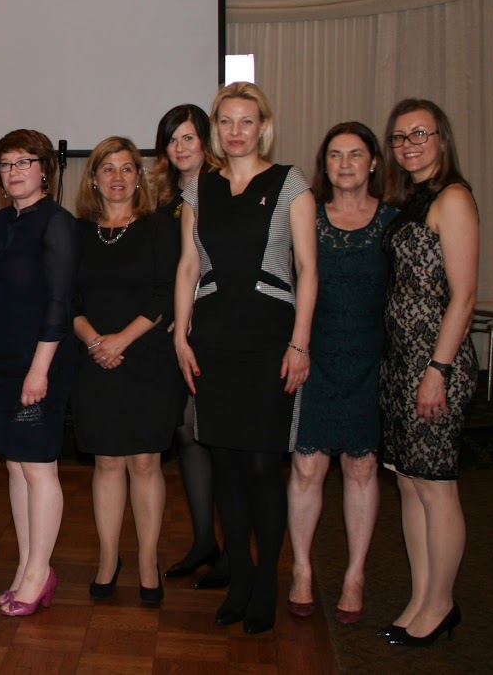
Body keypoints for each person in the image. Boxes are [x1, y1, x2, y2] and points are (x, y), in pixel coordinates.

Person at [173, 82, 317, 636]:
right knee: (227, 467)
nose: (236, 131)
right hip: (213, 340)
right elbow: (188, 267)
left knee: (261, 466)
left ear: (263, 127)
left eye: (246, 121)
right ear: (216, 129)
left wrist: (300, 343)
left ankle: (267, 584)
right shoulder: (198, 189)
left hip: (269, 342)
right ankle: (240, 580)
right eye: (226, 121)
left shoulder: (290, 183)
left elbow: (308, 269)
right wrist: (181, 337)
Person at [377, 100, 478, 647]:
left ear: (442, 137)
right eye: (399, 137)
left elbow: (463, 297)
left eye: (420, 133)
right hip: (402, 364)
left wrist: (437, 369)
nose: (409, 144)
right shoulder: (413, 199)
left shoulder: (453, 198)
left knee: (436, 488)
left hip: (437, 364)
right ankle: (420, 597)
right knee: (410, 482)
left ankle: (442, 604)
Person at [287, 123, 396, 622]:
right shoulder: (306, 216)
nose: (345, 164)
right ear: (324, 164)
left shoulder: (393, 222)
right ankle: (302, 569)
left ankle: (355, 574)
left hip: (372, 359)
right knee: (308, 467)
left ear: (373, 162)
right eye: (335, 155)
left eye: (355, 154)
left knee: (361, 468)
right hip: (314, 355)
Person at [71, 135, 184, 606]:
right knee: (107, 463)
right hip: (95, 360)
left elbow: (165, 293)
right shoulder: (78, 232)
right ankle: (108, 560)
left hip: (147, 359)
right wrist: (95, 341)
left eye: (126, 168)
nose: (117, 177)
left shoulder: (159, 228)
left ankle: (148, 563)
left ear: (139, 177)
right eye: (107, 169)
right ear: (94, 179)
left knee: (144, 463)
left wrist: (120, 340)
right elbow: (68, 299)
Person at [0, 130, 78, 616]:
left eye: (24, 162)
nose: (13, 171)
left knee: (38, 467)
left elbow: (59, 303)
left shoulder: (57, 222)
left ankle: (40, 572)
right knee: (15, 466)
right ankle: (25, 567)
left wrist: (39, 372)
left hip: (40, 362)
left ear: (45, 170)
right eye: (6, 163)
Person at [151, 104, 230, 590]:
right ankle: (204, 541)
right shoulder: (165, 198)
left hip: (213, 329)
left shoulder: (223, 190)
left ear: (206, 141)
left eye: (188, 137)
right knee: (187, 433)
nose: (180, 148)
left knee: (218, 436)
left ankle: (231, 549)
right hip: (172, 330)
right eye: (172, 139)